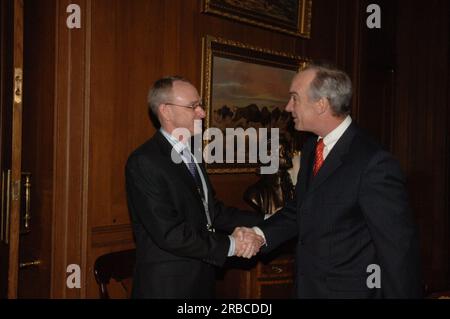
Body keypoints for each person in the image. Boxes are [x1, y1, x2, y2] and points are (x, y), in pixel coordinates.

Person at [236, 63, 422, 298]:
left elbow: (398, 250)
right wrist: (260, 234)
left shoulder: (373, 162)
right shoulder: (313, 147)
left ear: (321, 104)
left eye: (294, 98)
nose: (288, 107)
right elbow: (301, 210)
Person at [125, 76, 264, 298]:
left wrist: (269, 221)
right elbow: (170, 233)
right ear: (166, 111)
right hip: (167, 288)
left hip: (201, 279)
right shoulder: (145, 162)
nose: (202, 113)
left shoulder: (191, 153)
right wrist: (231, 245)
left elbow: (212, 212)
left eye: (200, 105)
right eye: (193, 106)